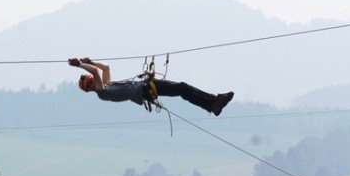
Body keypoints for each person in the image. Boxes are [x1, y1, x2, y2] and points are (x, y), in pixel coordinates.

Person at [71, 58, 234, 116]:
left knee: (182, 90)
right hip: (145, 89)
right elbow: (96, 72)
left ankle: (212, 105)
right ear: (90, 84)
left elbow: (105, 68)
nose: (91, 75)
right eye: (89, 78)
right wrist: (80, 64)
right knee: (182, 88)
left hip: (145, 88)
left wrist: (90, 62)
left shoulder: (106, 86)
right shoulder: (101, 92)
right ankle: (213, 102)